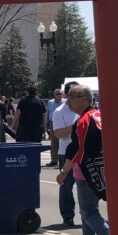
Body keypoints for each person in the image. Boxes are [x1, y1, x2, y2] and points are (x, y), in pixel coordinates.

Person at [57, 84, 110, 235]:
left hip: (88, 171)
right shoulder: (100, 115)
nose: (68, 103)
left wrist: (64, 172)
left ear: (83, 99)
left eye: (71, 98)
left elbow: (77, 149)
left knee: (89, 211)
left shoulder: (84, 120)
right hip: (104, 169)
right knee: (87, 209)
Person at [51, 82, 80, 226]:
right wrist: (77, 126)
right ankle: (68, 216)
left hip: (84, 153)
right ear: (68, 95)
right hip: (66, 153)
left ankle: (89, 215)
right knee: (66, 187)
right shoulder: (59, 112)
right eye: (75, 93)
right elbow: (58, 134)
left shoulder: (84, 109)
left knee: (87, 187)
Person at [45, 89, 65, 165]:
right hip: (52, 123)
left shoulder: (65, 102)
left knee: (63, 140)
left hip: (62, 123)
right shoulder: (50, 102)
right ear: (54, 95)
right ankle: (54, 160)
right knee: (54, 142)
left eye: (60, 93)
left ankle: (64, 160)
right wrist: (46, 124)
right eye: (57, 94)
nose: (59, 95)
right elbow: (48, 113)